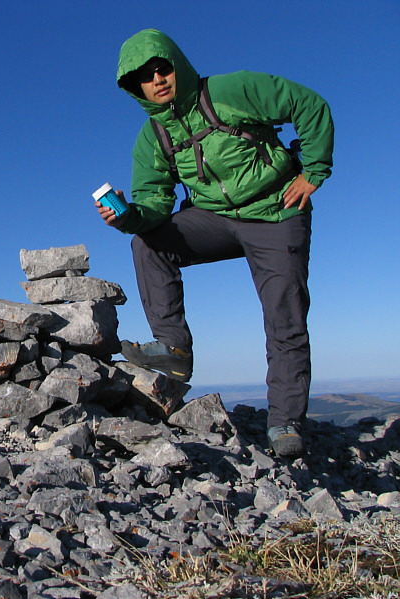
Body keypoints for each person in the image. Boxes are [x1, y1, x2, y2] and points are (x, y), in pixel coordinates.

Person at [97, 29, 334, 459]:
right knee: (147, 244)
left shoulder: (229, 90)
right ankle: (174, 348)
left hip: (276, 210)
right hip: (217, 219)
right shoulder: (153, 137)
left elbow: (307, 103)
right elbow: (155, 202)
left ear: (176, 64)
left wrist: (313, 171)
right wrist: (130, 217)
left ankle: (284, 422)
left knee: (285, 316)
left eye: (161, 67)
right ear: (135, 89)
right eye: (144, 77)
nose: (157, 79)